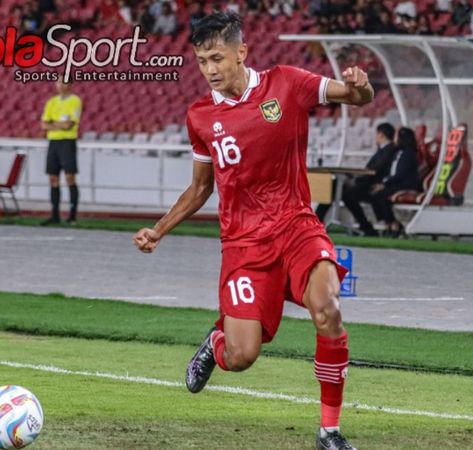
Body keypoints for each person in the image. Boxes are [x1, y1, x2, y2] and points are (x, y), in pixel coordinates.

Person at [132, 12, 373, 450]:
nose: (209, 69)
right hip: (244, 245)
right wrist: (160, 229)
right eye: (202, 60)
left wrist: (359, 84)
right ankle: (217, 339)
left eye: (217, 58)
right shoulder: (200, 117)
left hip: (297, 225)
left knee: (328, 308)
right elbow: (201, 187)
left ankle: (329, 432)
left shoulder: (287, 83)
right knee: (241, 357)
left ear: (241, 52)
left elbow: (356, 97)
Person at [340, 122, 397, 236]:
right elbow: (369, 169)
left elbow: (376, 171)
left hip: (375, 185)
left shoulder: (389, 150)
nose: (375, 136)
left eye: (376, 134)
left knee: (347, 194)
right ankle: (364, 225)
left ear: (381, 134)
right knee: (342, 191)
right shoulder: (382, 150)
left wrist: (356, 180)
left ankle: (365, 226)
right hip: (369, 182)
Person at [40, 78, 82, 225]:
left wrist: (53, 123)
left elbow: (69, 125)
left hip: (67, 142)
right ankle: (55, 214)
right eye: (59, 82)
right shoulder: (52, 102)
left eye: (64, 83)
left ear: (70, 84)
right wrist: (59, 124)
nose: (61, 85)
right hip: (53, 142)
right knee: (53, 178)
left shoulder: (75, 101)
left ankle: (72, 215)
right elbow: (44, 124)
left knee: (70, 177)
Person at [366, 127, 420, 237]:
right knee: (373, 193)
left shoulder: (408, 154)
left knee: (380, 194)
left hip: (405, 185)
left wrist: (384, 184)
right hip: (396, 183)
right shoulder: (397, 153)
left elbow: (401, 174)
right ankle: (388, 222)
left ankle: (394, 223)